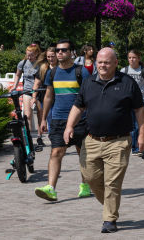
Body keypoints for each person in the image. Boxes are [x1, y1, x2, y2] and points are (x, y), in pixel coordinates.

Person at [63, 48, 144, 233]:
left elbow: (139, 110)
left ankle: (109, 219)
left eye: (107, 62)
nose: (102, 65)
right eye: (100, 62)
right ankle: (110, 204)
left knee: (112, 183)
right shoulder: (88, 82)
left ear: (116, 63)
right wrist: (69, 126)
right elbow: (78, 107)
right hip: (91, 140)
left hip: (118, 141)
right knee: (91, 178)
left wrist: (142, 134)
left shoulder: (127, 83)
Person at [36, 39, 93, 202]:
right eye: (58, 50)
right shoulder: (52, 73)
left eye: (63, 50)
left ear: (71, 53)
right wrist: (43, 119)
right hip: (58, 119)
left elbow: (90, 96)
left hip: (80, 120)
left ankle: (85, 184)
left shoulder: (81, 72)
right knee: (56, 152)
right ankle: (51, 188)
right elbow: (48, 96)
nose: (59, 53)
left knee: (82, 153)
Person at [122, 49, 144, 154]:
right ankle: (134, 145)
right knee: (131, 124)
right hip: (128, 101)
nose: (132, 60)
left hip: (142, 101)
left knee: (138, 124)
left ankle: (136, 147)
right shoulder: (124, 71)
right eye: (130, 58)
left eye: (134, 57)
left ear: (139, 58)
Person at [12, 44, 43, 137]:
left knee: (40, 115)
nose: (29, 57)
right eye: (27, 55)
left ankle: (39, 136)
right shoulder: (23, 63)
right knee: (27, 115)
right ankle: (29, 137)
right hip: (27, 91)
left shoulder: (40, 64)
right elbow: (17, 75)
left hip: (39, 91)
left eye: (31, 55)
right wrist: (14, 86)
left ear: (36, 53)